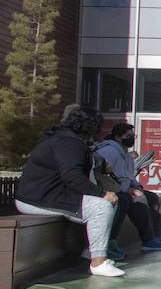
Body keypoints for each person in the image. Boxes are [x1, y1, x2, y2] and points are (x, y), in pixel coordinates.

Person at [13, 105, 125, 277]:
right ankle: (98, 262)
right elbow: (72, 176)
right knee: (101, 205)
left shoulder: (61, 138)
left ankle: (91, 252)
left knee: (110, 200)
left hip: (44, 195)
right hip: (39, 198)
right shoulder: (68, 143)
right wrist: (101, 193)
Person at [95, 123, 161, 252]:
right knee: (137, 201)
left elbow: (128, 176)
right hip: (113, 189)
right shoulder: (109, 151)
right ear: (118, 137)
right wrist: (128, 189)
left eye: (133, 135)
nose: (131, 138)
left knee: (152, 197)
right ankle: (147, 239)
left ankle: (154, 237)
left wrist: (137, 186)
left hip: (124, 187)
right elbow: (106, 177)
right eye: (128, 136)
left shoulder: (126, 154)